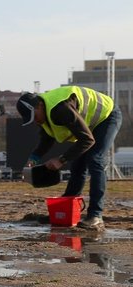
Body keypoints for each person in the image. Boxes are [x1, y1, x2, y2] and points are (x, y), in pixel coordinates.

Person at [18, 86, 122, 230]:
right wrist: (34, 158)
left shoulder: (60, 109)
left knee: (95, 160)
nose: (36, 121)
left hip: (107, 116)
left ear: (40, 105)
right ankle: (65, 213)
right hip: (88, 125)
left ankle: (96, 216)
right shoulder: (44, 115)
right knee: (78, 166)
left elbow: (87, 140)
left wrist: (61, 160)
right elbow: (47, 140)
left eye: (34, 116)